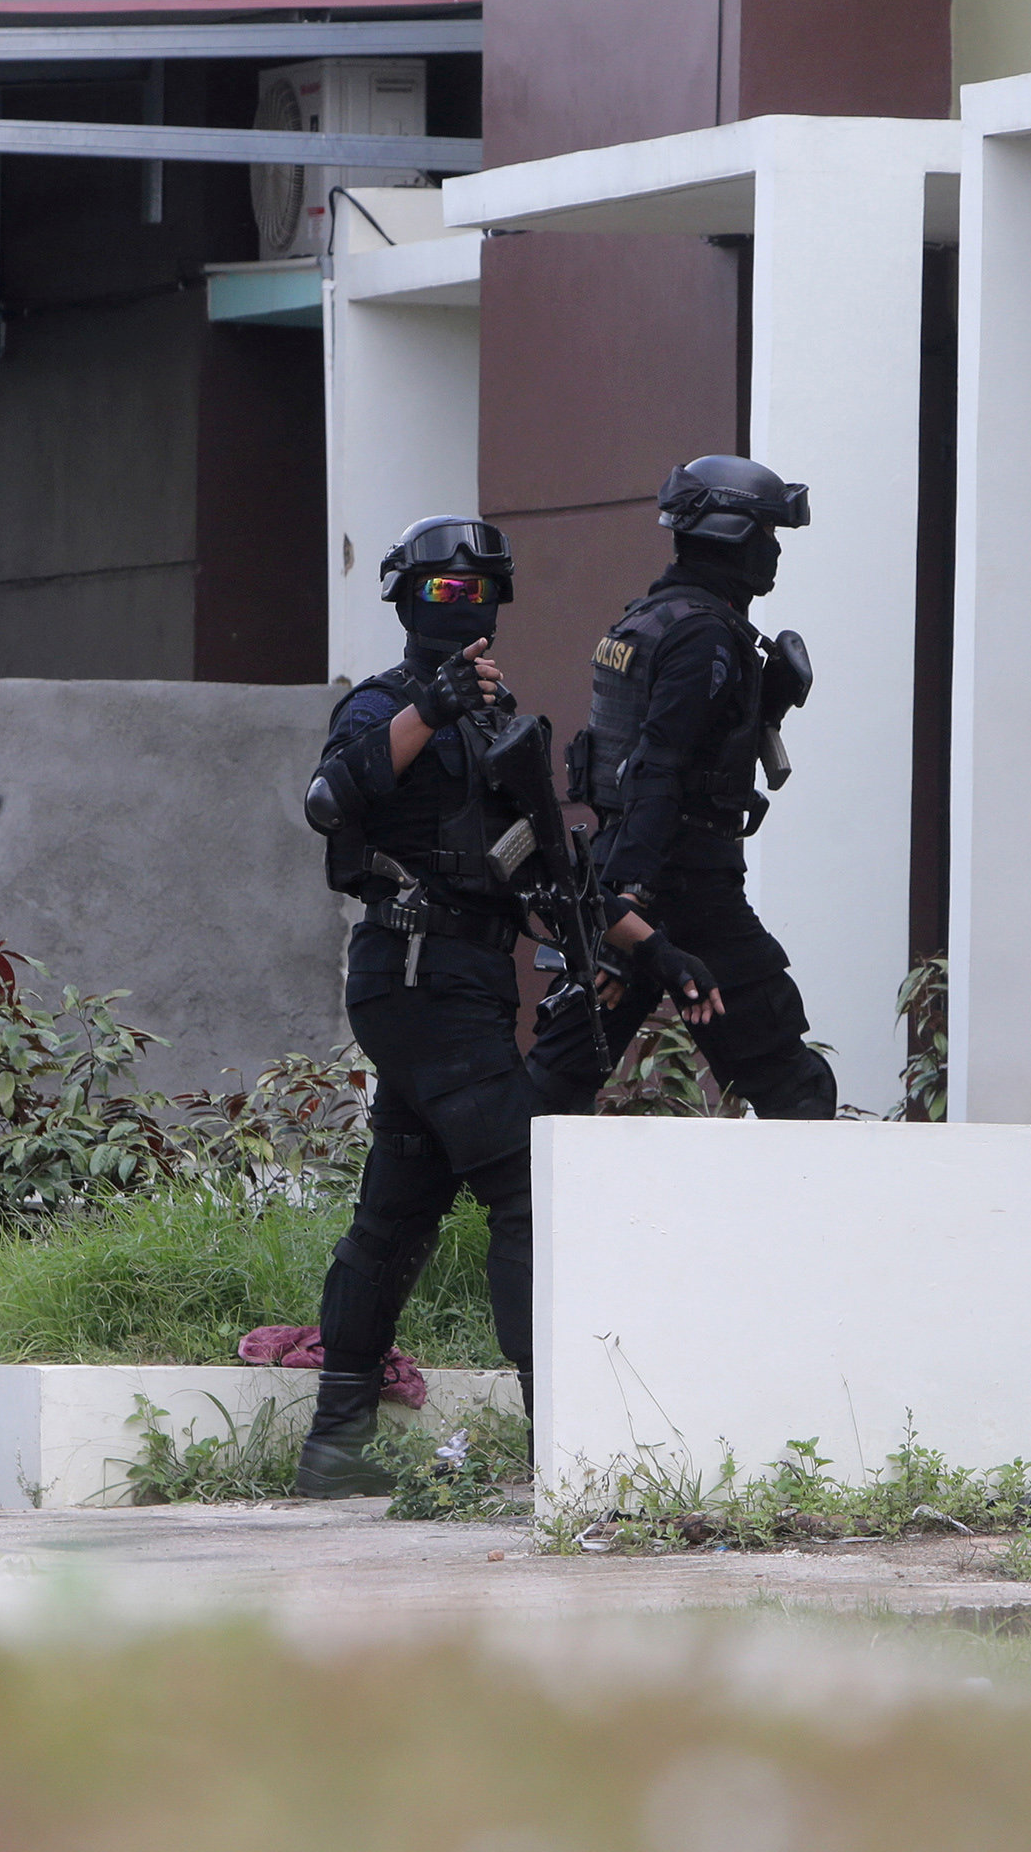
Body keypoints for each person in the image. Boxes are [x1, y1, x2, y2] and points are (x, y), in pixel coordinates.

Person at [294, 516, 604, 1496]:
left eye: (478, 592)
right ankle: (557, 1439)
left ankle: (336, 1440)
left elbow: (527, 856)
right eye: (443, 591)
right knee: (524, 1192)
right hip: (416, 973)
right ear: (405, 600)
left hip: (465, 977)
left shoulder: (494, 718)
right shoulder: (392, 704)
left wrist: (581, 948)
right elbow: (327, 796)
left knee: (400, 1206)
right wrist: (427, 705)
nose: (462, 607)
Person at [572, 455, 835, 1119]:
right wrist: (629, 900)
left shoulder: (658, 619)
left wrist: (760, 707)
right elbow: (659, 768)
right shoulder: (703, 636)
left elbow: (683, 757)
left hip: (644, 876)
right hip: (687, 886)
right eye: (767, 535)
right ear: (730, 535)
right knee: (794, 1086)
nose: (775, 551)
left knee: (561, 1076)